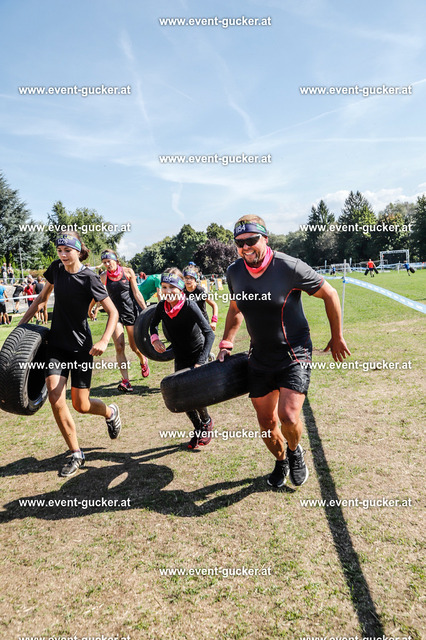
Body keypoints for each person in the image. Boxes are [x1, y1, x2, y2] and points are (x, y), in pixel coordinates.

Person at [218, 215, 351, 488]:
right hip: (259, 356)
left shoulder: (289, 267)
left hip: (294, 352)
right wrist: (226, 343)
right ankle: (281, 461)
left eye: (251, 240)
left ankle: (294, 451)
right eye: (239, 243)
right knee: (266, 423)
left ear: (265, 239)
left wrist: (337, 336)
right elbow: (235, 309)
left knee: (288, 416)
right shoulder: (234, 272)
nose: (245, 247)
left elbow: (330, 293)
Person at [18, 231, 121, 478]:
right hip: (56, 345)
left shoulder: (90, 278)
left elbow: (113, 312)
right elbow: (42, 297)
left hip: (81, 348)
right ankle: (76, 453)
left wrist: (104, 340)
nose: (63, 255)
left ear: (78, 251)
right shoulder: (56, 269)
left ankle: (110, 412)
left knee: (81, 405)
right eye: (60, 251)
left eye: (67, 251)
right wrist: (20, 328)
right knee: (55, 397)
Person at [150, 268, 215, 450]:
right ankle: (198, 427)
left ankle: (206, 422)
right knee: (181, 396)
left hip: (197, 354)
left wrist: (201, 361)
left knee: (195, 395)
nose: (168, 291)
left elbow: (209, 334)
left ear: (180, 288)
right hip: (180, 355)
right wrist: (154, 339)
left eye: (172, 287)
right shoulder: (161, 307)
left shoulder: (189, 305)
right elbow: (153, 325)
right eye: (164, 287)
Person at [98, 249, 150, 393]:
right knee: (119, 347)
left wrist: (146, 310)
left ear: (116, 260)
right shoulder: (103, 276)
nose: (107, 264)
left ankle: (143, 360)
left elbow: (136, 293)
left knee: (134, 347)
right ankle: (126, 381)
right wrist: (93, 308)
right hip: (115, 315)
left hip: (130, 312)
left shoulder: (127, 272)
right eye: (104, 262)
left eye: (109, 261)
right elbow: (99, 295)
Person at [182, 265, 219, 331]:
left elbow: (214, 305)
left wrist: (214, 321)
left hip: (203, 322)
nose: (188, 280)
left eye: (191, 278)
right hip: (190, 323)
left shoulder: (200, 291)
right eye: (186, 278)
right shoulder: (182, 291)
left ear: (195, 279)